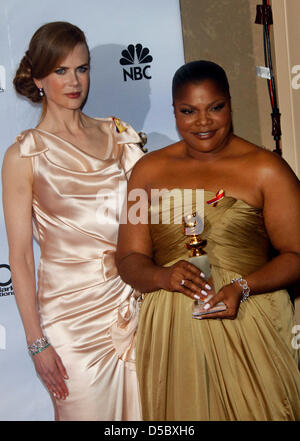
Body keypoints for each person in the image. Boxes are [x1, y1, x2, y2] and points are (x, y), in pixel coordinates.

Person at [116, 60, 300, 421]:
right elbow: (129, 259)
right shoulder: (146, 173)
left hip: (249, 319)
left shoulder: (267, 169)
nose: (203, 122)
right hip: (174, 328)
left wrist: (242, 287)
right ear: (174, 111)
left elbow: (296, 254)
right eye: (189, 111)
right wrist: (161, 277)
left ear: (229, 104)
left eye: (214, 108)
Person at [2, 21, 144, 421]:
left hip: (134, 303)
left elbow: (143, 221)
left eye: (82, 68)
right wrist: (36, 343)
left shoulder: (118, 136)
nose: (74, 81)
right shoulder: (24, 156)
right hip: (72, 323)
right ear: (38, 77)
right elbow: (21, 258)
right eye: (61, 70)